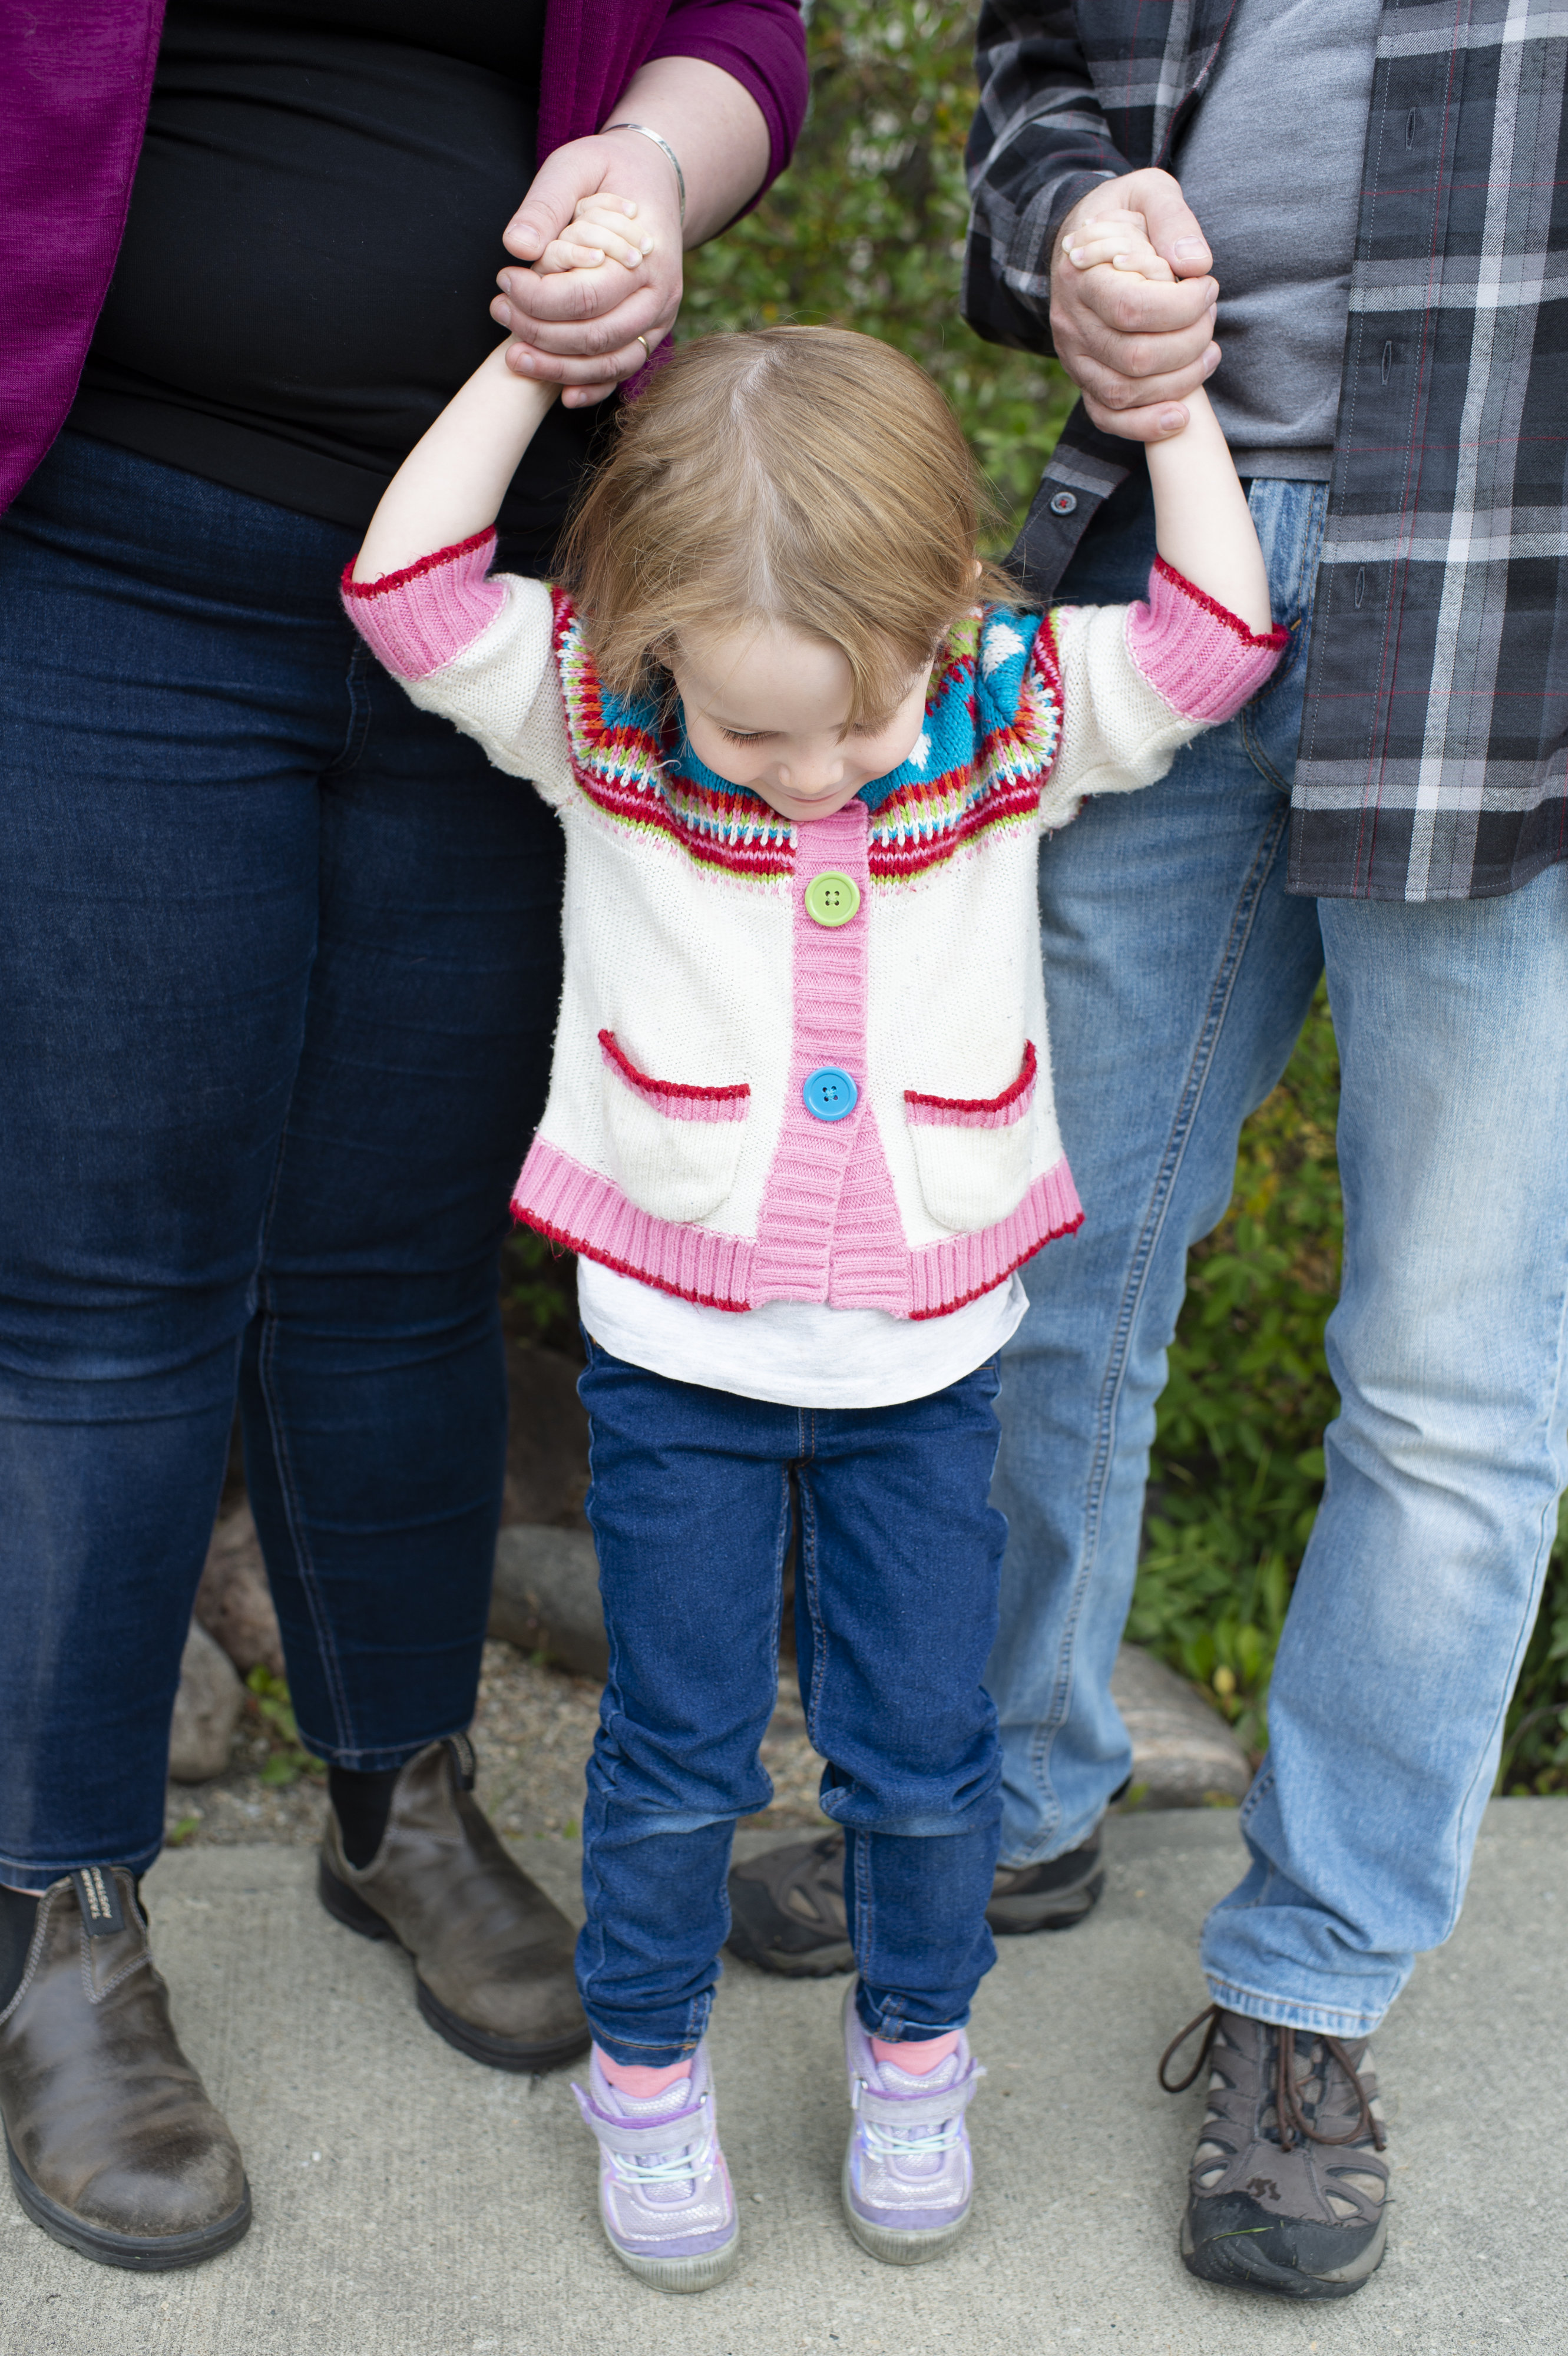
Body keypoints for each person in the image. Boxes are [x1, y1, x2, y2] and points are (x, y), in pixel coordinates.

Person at [341, 263, 1283, 2284]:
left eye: (852, 720)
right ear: (649, 643)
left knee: (922, 1751)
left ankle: (917, 2050)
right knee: (677, 1747)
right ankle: (653, 2075)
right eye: (748, 724)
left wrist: (1169, 397)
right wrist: (527, 363)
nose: (811, 776)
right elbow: (410, 594)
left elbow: (1212, 640)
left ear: (945, 615)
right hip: (674, 1359)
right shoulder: (602, 719)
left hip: (932, 1368)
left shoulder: (1005, 712)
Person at [0, 0, 806, 2273]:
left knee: (403, 1256)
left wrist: (655, 162)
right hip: (104, 550)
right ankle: (55, 1917)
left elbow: (735, 28)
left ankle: (394, 1795)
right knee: (107, 1275)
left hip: (505, 589)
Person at [945, 0, 1564, 2304]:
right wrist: (1067, 218)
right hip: (1160, 571)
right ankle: (1001, 1802)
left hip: (1519, 589)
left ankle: (1307, 1981)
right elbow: (1040, 76)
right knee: (1046, 1257)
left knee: (1449, 1362)